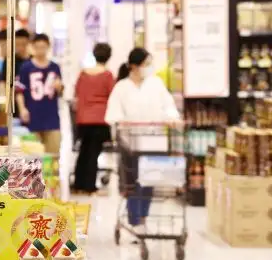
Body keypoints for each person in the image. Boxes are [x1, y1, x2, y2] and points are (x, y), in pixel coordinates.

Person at [105, 47, 179, 235]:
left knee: (149, 179)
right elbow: (113, 114)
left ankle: (143, 218)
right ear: (133, 66)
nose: (149, 67)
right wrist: (121, 122)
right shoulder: (121, 87)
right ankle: (134, 219)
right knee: (133, 180)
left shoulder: (156, 84)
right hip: (130, 142)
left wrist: (172, 118)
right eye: (146, 64)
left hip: (154, 140)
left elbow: (168, 106)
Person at [73, 42, 114, 194]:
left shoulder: (83, 74)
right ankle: (89, 185)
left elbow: (77, 93)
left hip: (83, 119)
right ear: (109, 57)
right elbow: (112, 96)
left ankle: (78, 184)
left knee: (83, 151)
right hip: (100, 120)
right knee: (93, 153)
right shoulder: (108, 75)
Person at [16, 33, 63, 154]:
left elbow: (60, 91)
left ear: (48, 47)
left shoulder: (55, 67)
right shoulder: (26, 67)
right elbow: (19, 91)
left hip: (51, 116)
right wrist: (22, 109)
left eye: (43, 47)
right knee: (33, 155)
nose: (40, 51)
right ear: (32, 47)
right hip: (32, 115)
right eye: (37, 47)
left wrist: (59, 87)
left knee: (53, 153)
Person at [2, 28, 31, 117]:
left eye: (23, 44)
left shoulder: (33, 61)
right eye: (17, 44)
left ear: (28, 43)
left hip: (31, 102)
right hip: (14, 104)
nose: (21, 47)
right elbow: (3, 82)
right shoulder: (9, 60)